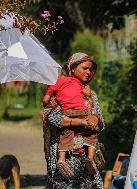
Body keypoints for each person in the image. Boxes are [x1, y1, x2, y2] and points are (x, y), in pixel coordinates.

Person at [43, 52, 104, 189]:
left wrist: (95, 119)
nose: (88, 72)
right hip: (64, 158)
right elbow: (53, 118)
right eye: (84, 68)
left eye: (91, 69)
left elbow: (101, 124)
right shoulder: (59, 91)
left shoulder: (91, 95)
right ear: (72, 68)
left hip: (87, 160)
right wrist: (81, 122)